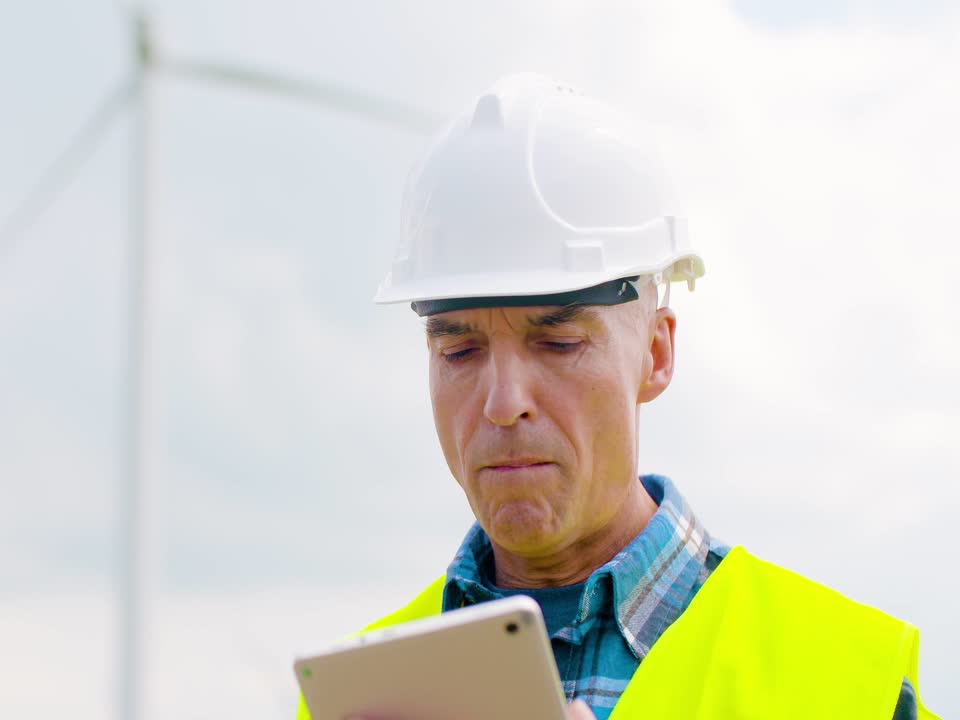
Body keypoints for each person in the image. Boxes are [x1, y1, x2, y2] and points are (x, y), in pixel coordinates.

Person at [296, 74, 936, 720]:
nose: (502, 401)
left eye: (558, 343)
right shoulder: (354, 699)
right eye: (459, 351)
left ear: (656, 354)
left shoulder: (842, 681)